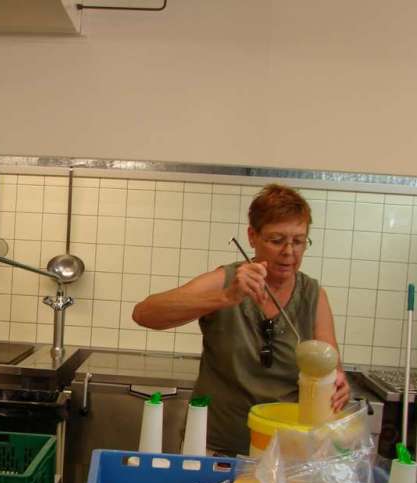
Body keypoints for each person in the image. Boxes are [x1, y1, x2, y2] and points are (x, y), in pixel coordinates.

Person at [132, 183, 350, 456]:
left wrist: (338, 383)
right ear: (252, 236)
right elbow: (144, 313)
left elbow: (330, 367)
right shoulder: (226, 280)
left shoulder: (314, 296)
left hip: (284, 453)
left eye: (298, 240)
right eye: (276, 240)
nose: (289, 252)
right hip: (214, 448)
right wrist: (225, 298)